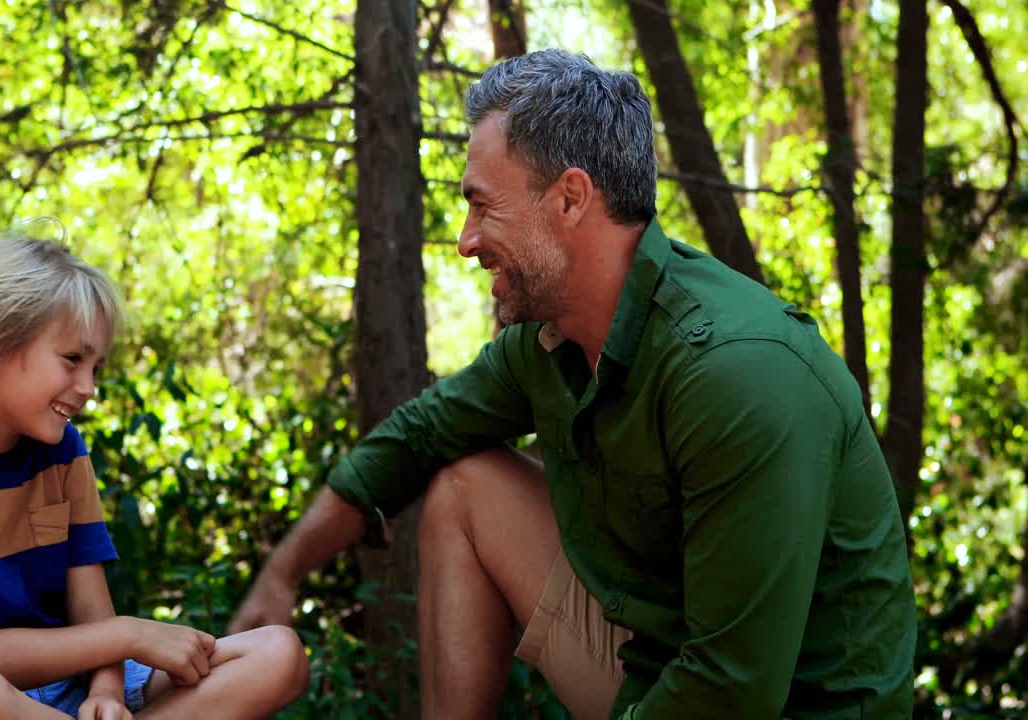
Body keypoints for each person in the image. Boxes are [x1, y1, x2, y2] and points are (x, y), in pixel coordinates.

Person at [230, 49, 915, 719]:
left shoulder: (736, 371)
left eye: (482, 205)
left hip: (770, 701)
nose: (465, 241)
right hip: (653, 665)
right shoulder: (548, 340)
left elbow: (734, 689)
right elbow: (417, 438)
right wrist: (283, 572)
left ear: (570, 198)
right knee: (463, 487)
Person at [0, 228, 308, 720]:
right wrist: (133, 634)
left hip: (70, 690)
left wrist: (108, 693)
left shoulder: (63, 452)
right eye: (72, 359)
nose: (89, 387)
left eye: (96, 366)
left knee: (277, 654)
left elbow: (93, 612)